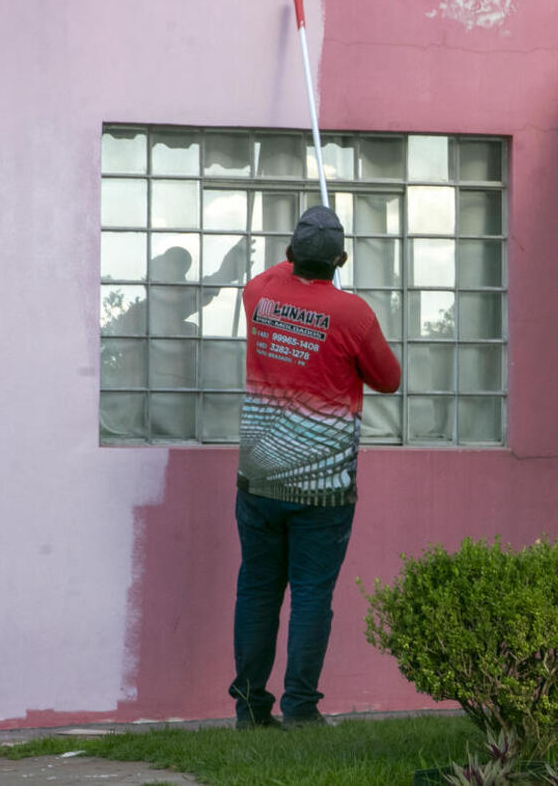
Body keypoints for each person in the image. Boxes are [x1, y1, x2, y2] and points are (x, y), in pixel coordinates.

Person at [229, 205, 401, 730]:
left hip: (260, 476)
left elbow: (276, 273)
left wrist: (299, 268)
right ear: (341, 259)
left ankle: (250, 707)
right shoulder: (354, 315)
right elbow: (389, 379)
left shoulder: (259, 294)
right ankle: (301, 708)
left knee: (258, 590)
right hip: (323, 487)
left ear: (289, 253)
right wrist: (333, 296)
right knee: (310, 596)